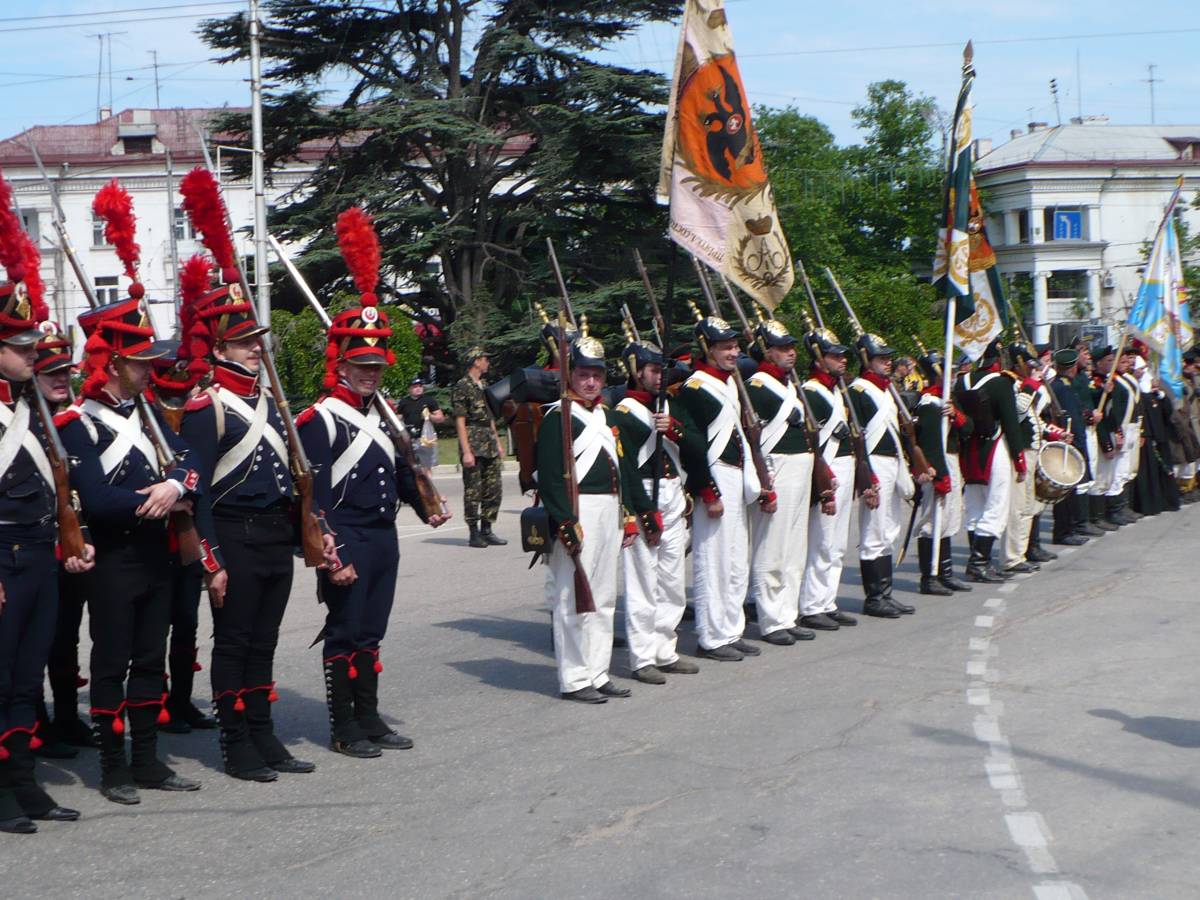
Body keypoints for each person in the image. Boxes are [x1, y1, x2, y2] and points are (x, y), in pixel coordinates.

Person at [177, 170, 328, 781]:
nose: (255, 350)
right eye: (244, 343)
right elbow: (197, 492)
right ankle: (234, 743)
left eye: (256, 341)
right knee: (235, 642)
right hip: (234, 536)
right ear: (218, 348)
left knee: (264, 642)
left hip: (271, 536)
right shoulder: (205, 406)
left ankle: (265, 737)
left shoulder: (271, 403)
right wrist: (211, 561)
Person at [297, 206, 447, 757]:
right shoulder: (319, 419)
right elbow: (312, 495)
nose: (370, 373)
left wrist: (423, 503)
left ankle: (370, 716)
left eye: (376, 366)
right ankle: (344, 727)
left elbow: (395, 473)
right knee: (345, 634)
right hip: (349, 536)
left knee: (372, 634)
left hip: (383, 536)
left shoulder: (382, 416)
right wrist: (330, 551)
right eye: (361, 365)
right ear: (340, 364)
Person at [0, 245, 89, 833]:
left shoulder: (32, 407)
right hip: (2, 561)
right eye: (22, 348)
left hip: (38, 554)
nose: (33, 355)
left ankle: (24, 784)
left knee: (27, 678)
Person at [537, 333, 657, 702]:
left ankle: (598, 671)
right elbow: (550, 474)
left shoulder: (606, 416)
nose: (591, 382)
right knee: (574, 598)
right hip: (578, 511)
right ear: (571, 375)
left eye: (598, 376)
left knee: (603, 597)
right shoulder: (558, 416)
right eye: (584, 374)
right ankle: (575, 678)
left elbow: (620, 468)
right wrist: (563, 521)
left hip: (609, 509)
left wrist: (630, 515)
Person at [674, 310, 770, 660]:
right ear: (707, 348)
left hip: (734, 474)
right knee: (713, 560)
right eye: (725, 347)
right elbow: (693, 445)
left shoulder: (729, 383)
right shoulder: (695, 388)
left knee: (734, 559)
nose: (733, 353)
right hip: (713, 477)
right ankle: (711, 636)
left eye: (734, 346)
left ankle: (731, 629)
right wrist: (706, 491)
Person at [611, 338, 697, 684]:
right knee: (644, 584)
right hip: (646, 497)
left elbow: (694, 450)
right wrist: (642, 512)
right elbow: (626, 468)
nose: (660, 376)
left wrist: (673, 430)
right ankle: (642, 657)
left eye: (661, 370)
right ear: (635, 372)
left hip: (673, 495)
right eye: (652, 370)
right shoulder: (624, 413)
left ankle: (665, 649)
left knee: (673, 583)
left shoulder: (666, 409)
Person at [147, 341, 216, 736]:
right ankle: (155, 700)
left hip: (187, 535)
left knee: (186, 623)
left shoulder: (189, 420)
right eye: (169, 393)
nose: (177, 399)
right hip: (152, 536)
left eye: (181, 392)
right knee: (154, 628)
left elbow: (200, 475)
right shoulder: (143, 421)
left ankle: (181, 700)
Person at [33, 322, 96, 751]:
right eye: (50, 372)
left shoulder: (73, 421)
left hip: (74, 543)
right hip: (35, 544)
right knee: (37, 638)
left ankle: (68, 717)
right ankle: (36, 724)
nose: (62, 379)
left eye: (64, 371)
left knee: (67, 635)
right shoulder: (28, 425)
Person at [744, 319, 820, 645]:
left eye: (792, 348)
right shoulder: (757, 387)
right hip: (778, 466)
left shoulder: (789, 384)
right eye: (783, 348)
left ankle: (788, 613)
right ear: (766, 351)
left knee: (794, 547)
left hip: (801, 468)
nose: (791, 353)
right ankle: (772, 619)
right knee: (772, 546)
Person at [848, 332, 930, 617]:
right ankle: (874, 598)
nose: (887, 362)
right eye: (881, 358)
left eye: (888, 358)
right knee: (874, 530)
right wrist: (865, 476)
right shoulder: (858, 390)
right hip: (874, 464)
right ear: (866, 360)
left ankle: (885, 592)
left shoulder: (887, 390)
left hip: (891, 462)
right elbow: (857, 437)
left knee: (890, 529)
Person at [797, 324, 861, 630]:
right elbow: (815, 441)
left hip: (845, 467)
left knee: (836, 543)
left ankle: (827, 600)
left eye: (842, 355)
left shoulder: (836, 390)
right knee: (821, 541)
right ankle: (811, 604)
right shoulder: (812, 392)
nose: (842, 360)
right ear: (818, 358)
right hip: (830, 471)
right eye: (835, 355)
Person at [954, 338, 1027, 582]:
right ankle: (980, 561)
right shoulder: (1002, 383)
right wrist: (1019, 459)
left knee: (975, 506)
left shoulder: (962, 380)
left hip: (969, 449)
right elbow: (1010, 422)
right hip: (995, 448)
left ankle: (976, 560)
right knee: (996, 507)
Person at [912, 347, 972, 596]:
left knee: (947, 519)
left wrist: (956, 415)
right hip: (938, 463)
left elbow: (968, 428)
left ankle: (945, 572)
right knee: (932, 521)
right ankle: (930, 576)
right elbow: (929, 444)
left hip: (952, 459)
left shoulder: (947, 400)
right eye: (949, 372)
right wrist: (939, 476)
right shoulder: (928, 403)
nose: (954, 376)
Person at [452, 348, 506, 548]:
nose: (487, 363)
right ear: (476, 361)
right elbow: (460, 420)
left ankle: (487, 529)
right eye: (485, 359)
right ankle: (474, 532)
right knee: (473, 490)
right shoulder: (462, 386)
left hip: (489, 442)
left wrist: (498, 442)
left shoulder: (483, 386)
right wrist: (466, 451)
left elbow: (490, 417)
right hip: (473, 442)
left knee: (494, 488)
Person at [1049, 348, 1092, 546]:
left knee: (1072, 490)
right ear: (1073, 367)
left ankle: (1069, 528)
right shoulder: (1060, 388)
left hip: (1072, 441)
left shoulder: (1065, 385)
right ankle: (1064, 531)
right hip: (1066, 443)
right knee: (1066, 492)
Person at [398, 376, 444, 470]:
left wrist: (429, 416)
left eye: (420, 386)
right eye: (415, 386)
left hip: (425, 439)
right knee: (410, 468)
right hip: (409, 439)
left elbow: (440, 418)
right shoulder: (404, 402)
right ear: (409, 389)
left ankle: (427, 484)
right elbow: (398, 418)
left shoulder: (429, 400)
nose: (418, 388)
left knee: (426, 468)